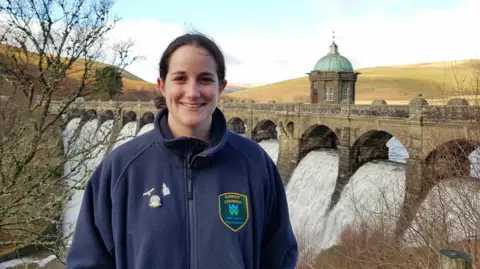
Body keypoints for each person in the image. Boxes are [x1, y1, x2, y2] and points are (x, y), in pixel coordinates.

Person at [66, 32, 298, 269]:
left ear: (221, 87)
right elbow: (88, 261)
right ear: (162, 86)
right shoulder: (121, 168)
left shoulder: (255, 164)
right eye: (180, 78)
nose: (192, 92)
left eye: (205, 79)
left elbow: (279, 257)